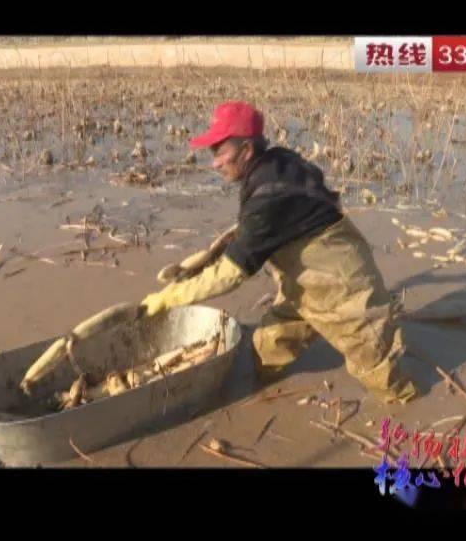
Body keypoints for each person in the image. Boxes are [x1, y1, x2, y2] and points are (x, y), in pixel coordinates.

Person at [140, 101, 419, 404]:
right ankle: (258, 396)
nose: (215, 163)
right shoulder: (277, 162)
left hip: (342, 285)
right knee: (268, 348)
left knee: (379, 370)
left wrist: (172, 297)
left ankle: (409, 411)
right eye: (213, 153)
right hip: (303, 282)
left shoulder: (266, 194)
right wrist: (209, 257)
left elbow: (233, 274)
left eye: (220, 152)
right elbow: (281, 216)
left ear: (246, 150)